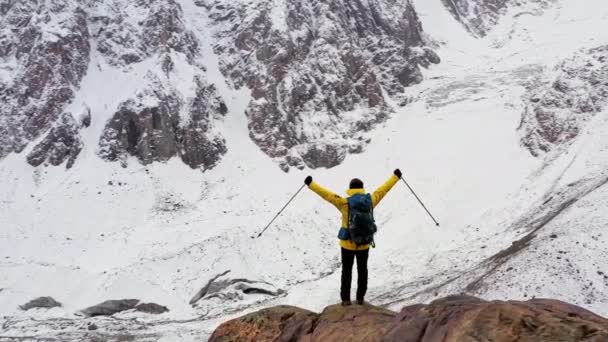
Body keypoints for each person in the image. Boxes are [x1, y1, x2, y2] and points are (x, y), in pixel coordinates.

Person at [304, 169, 402, 306]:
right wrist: (396, 177)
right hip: (364, 243)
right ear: (362, 189)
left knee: (346, 271)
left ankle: (345, 300)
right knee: (363, 270)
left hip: (347, 244)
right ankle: (360, 298)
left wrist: (311, 184)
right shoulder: (371, 201)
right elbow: (383, 190)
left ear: (350, 189)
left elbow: (327, 195)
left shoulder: (344, 203)